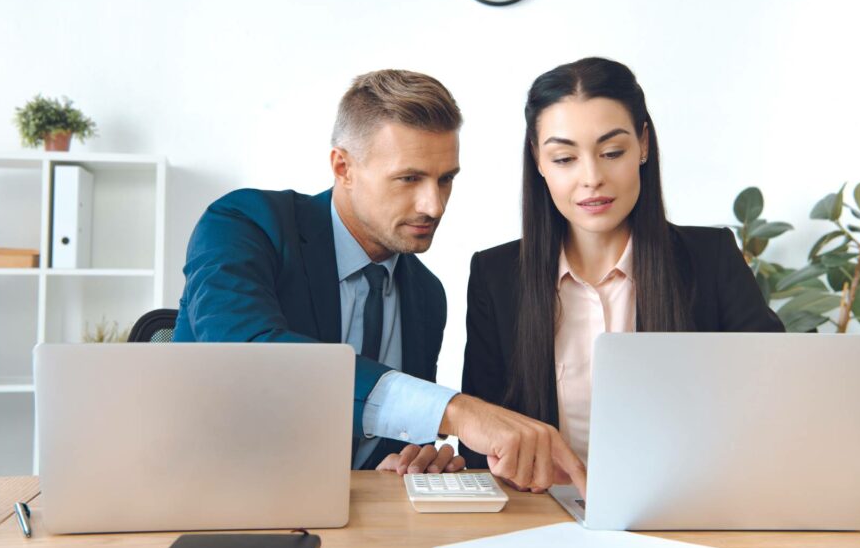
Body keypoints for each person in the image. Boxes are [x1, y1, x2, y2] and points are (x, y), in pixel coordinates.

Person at [173, 69, 587, 493]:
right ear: (343, 167)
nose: (434, 205)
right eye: (409, 179)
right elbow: (245, 356)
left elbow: (387, 431)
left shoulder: (426, 295)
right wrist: (457, 411)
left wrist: (405, 463)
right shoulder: (245, 225)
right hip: (208, 500)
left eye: (446, 179)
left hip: (346, 524)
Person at [460, 57, 784, 484]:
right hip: (542, 522)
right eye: (564, 158)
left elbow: (775, 399)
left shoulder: (712, 258)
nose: (592, 178)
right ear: (537, 160)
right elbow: (476, 439)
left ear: (643, 144)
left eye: (612, 152)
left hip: (683, 513)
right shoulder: (496, 276)